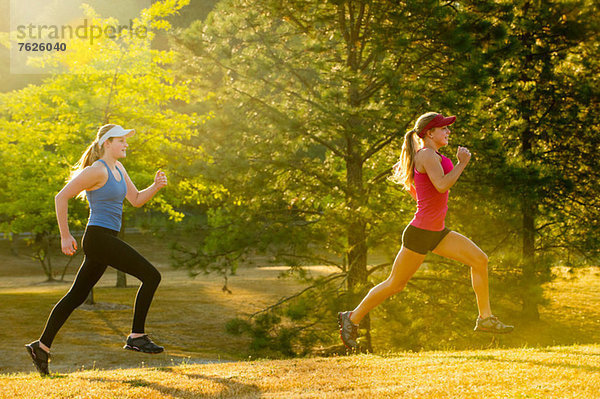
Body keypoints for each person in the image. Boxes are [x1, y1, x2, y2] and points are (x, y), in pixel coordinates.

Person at [338, 112, 513, 349]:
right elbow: (441, 186)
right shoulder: (427, 154)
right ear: (429, 133)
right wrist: (462, 163)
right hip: (420, 234)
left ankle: (485, 318)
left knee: (480, 259)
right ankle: (352, 317)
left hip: (436, 232)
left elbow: (422, 191)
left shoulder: (429, 155)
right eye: (443, 129)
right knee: (395, 284)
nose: (448, 132)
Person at [26, 124, 167, 376]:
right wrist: (65, 235)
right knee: (152, 276)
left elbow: (135, 200)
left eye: (126, 140)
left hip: (105, 238)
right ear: (106, 143)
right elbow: (61, 197)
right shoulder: (96, 170)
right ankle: (137, 336)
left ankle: (41, 347)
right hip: (99, 238)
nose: (126, 144)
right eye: (121, 140)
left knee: (76, 296)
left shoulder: (119, 168)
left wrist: (155, 186)